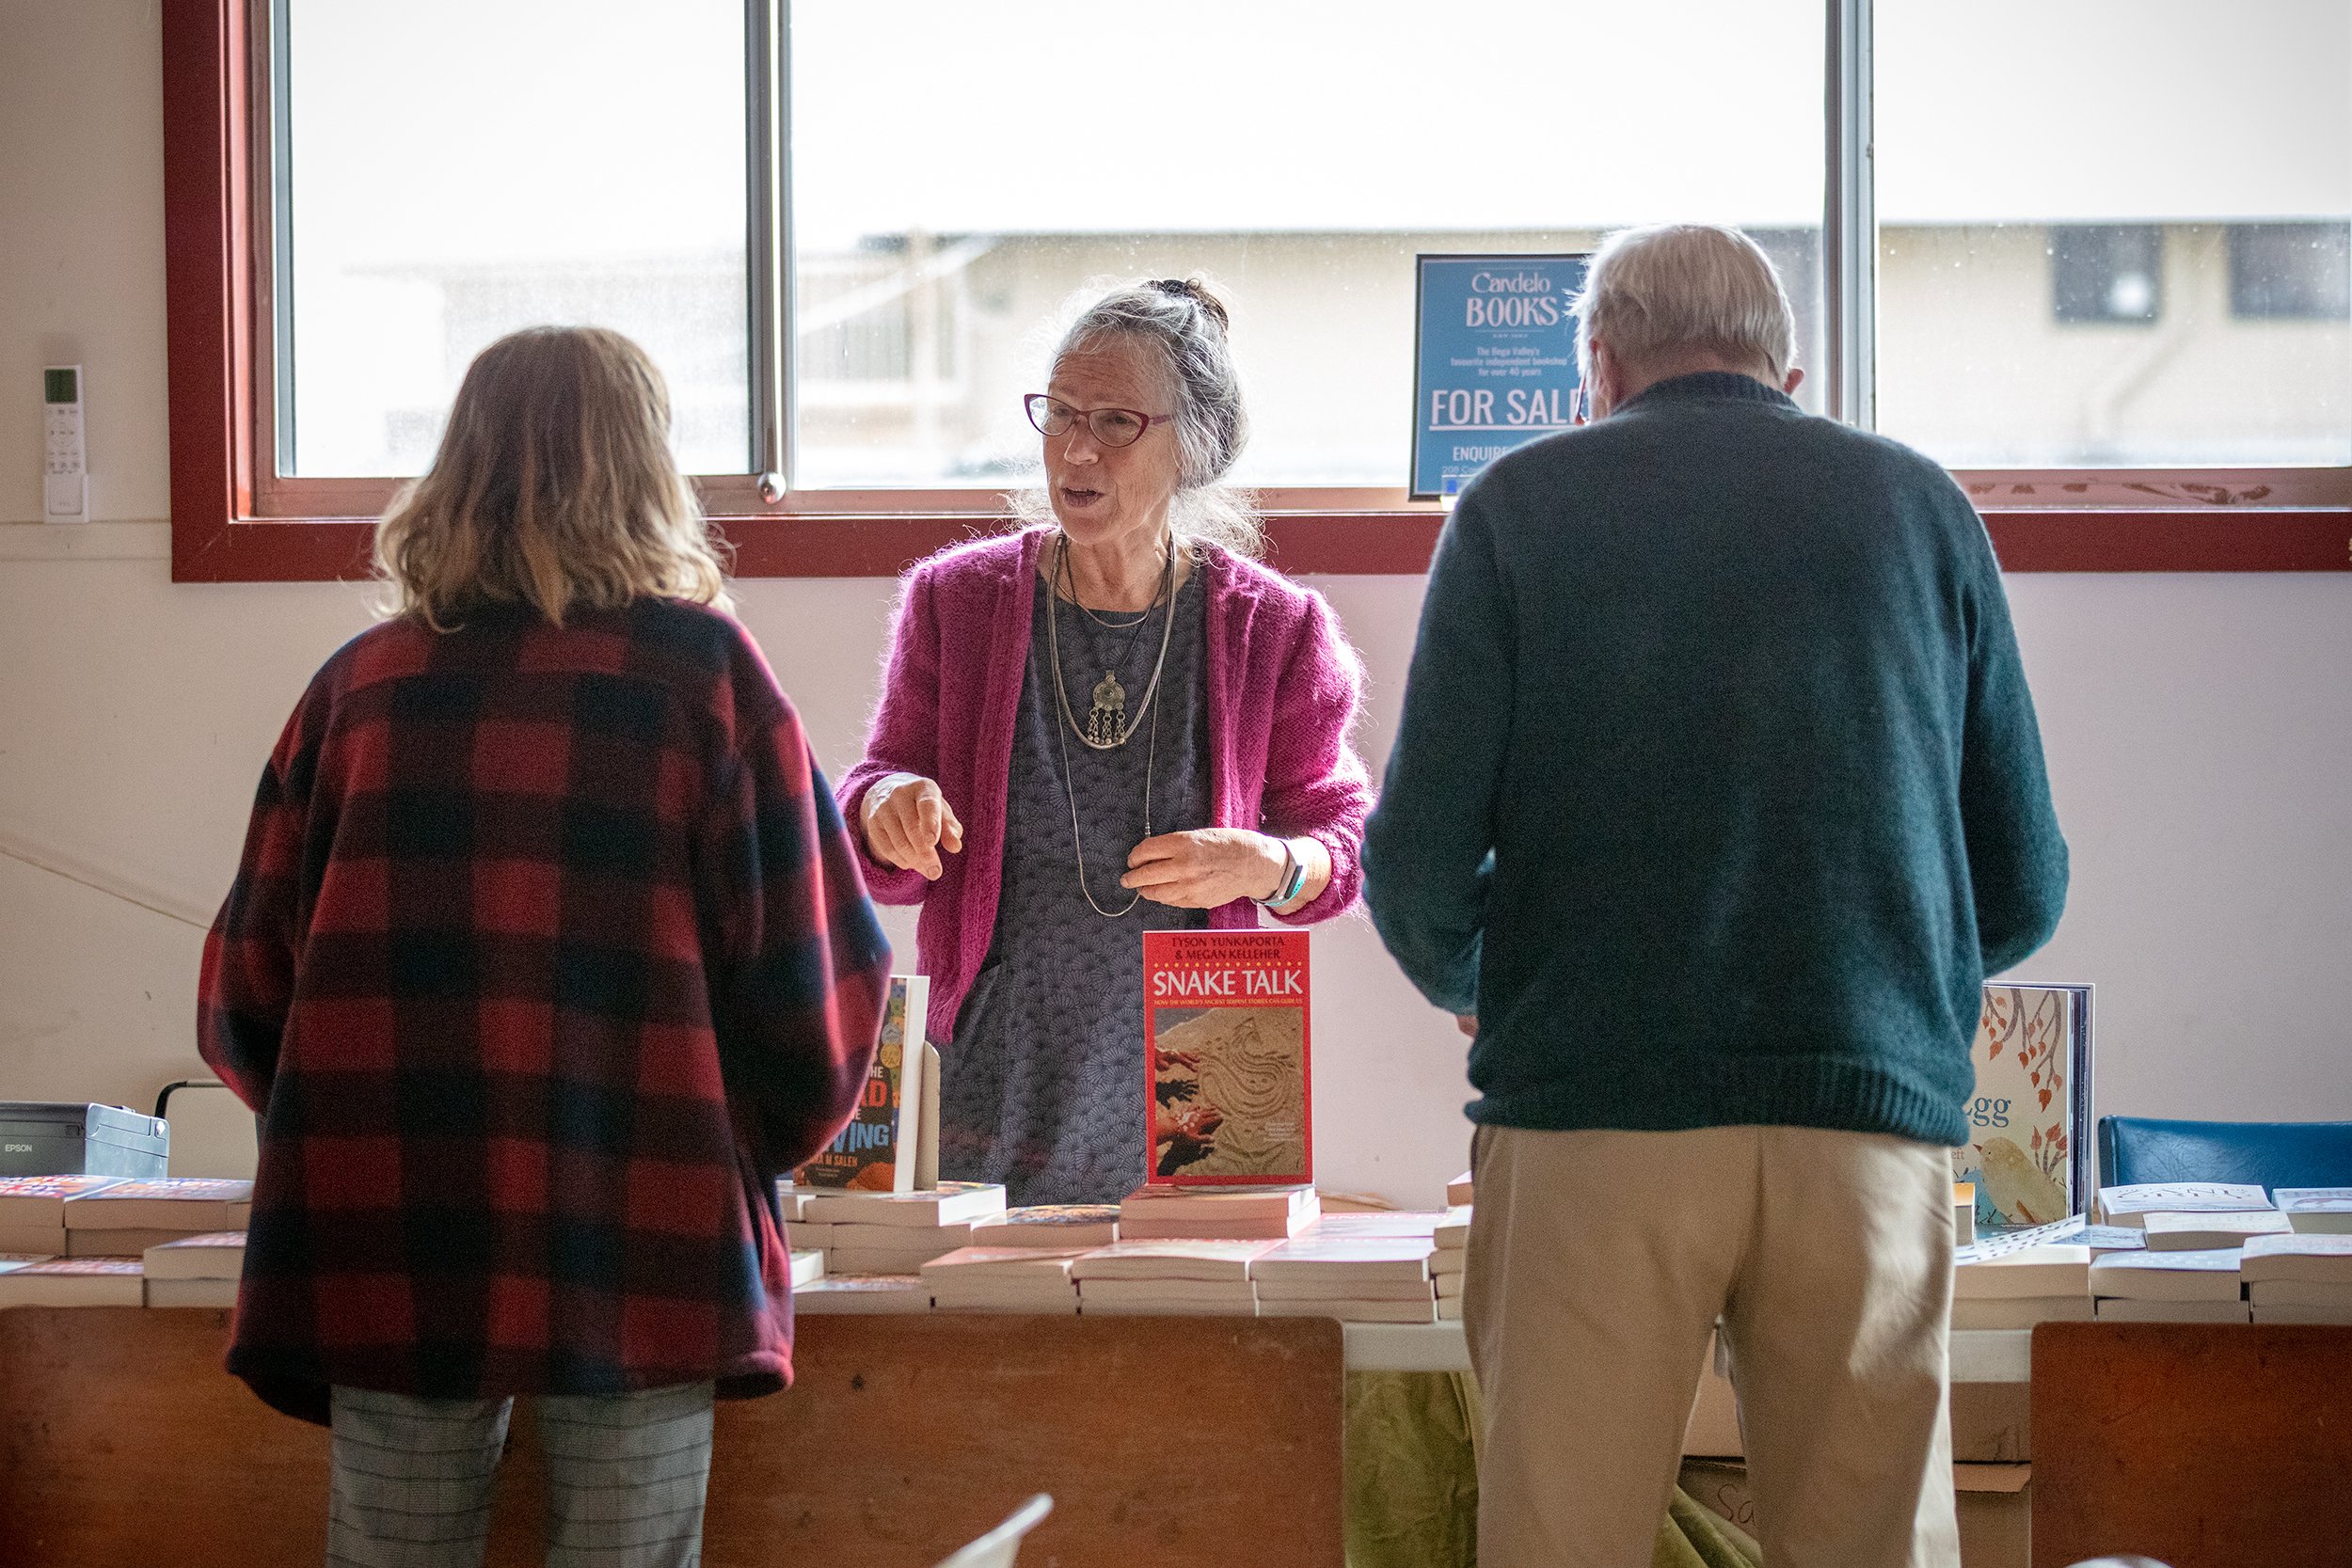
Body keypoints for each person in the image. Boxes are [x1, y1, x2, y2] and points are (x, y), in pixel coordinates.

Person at [1362, 225, 2068, 1568]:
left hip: (1592, 1114)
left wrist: (1491, 979)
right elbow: (2024, 878)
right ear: (1786, 370)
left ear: (1600, 368)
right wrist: (1886, 971)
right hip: (1863, 1118)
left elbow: (1413, 869)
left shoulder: (1517, 503)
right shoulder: (1921, 506)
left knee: (1562, 1540)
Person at [198, 325, 891, 1568]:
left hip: (390, 1230)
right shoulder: (708, 681)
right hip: (646, 1234)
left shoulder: (357, 690)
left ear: (454, 470)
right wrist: (724, 1149)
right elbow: (823, 990)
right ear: (647, 470)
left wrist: (357, 1138)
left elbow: (245, 994)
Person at [839, 278, 1372, 1206]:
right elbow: (883, 822)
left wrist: (1266, 864)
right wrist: (883, 807)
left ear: (1193, 443)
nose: (1077, 449)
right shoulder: (954, 601)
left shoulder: (1275, 628)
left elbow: (1345, 848)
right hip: (998, 1051)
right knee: (985, 1325)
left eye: (1117, 421)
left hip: (1208, 1065)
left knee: (1187, 1321)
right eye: (1061, 415)